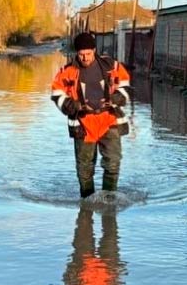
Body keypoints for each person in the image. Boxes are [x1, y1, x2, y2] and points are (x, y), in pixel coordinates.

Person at [50, 32, 131, 198]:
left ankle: (109, 200)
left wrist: (118, 97)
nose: (85, 58)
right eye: (81, 54)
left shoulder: (112, 66)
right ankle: (87, 203)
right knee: (85, 168)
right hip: (83, 123)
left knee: (113, 164)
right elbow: (56, 92)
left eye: (88, 53)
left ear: (94, 50)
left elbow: (126, 85)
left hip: (109, 119)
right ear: (76, 53)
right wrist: (70, 105)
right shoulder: (67, 71)